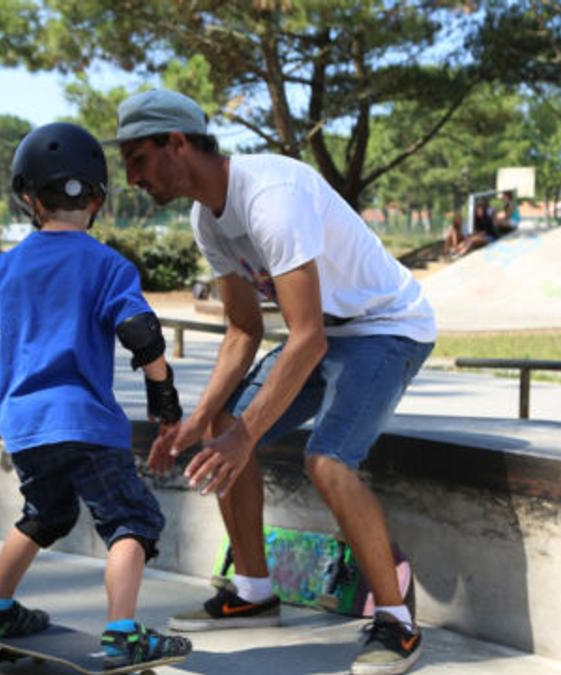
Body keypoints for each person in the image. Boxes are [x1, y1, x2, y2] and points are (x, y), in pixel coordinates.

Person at [109, 89, 436, 675]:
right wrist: (197, 422)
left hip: (386, 327)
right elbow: (243, 329)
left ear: (176, 143)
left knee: (327, 460)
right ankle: (253, 591)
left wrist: (244, 437)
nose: (132, 178)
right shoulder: (207, 220)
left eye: (138, 159)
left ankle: (397, 623)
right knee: (221, 423)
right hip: (328, 332)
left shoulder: (271, 197)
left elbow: (306, 337)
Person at [0, 122, 192, 670]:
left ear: (27, 197)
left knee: (46, 514)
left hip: (25, 427)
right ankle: (123, 634)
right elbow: (141, 333)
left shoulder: (8, 265)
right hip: (87, 424)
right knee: (131, 521)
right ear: (97, 199)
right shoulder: (109, 265)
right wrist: (165, 402)